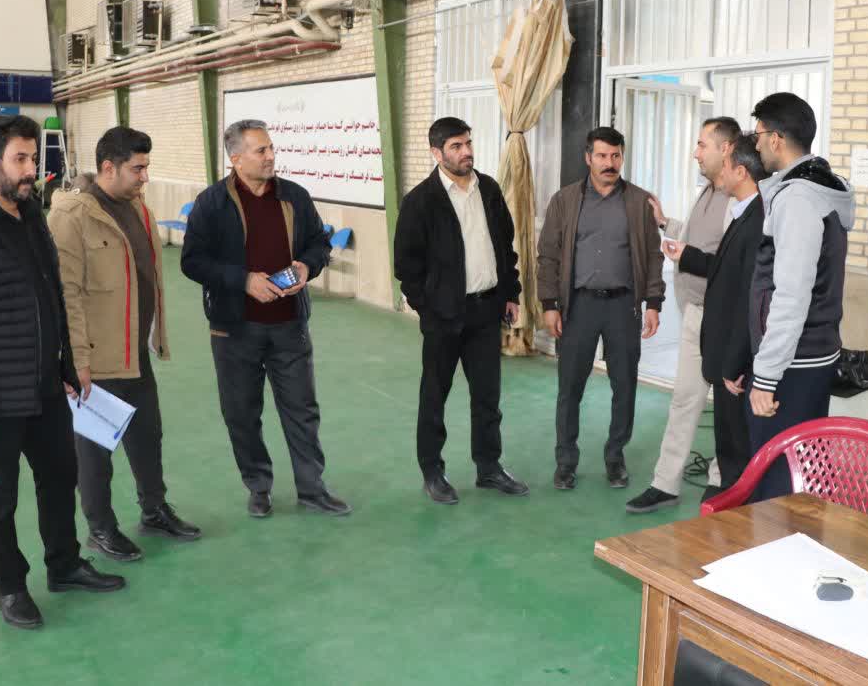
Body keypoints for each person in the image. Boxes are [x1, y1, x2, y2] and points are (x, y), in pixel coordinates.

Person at [0, 115, 124, 630]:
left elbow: (52, 295)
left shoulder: (30, 213)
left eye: (34, 158)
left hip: (44, 387)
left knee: (59, 478)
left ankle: (64, 564)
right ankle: (10, 586)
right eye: (21, 159)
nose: (31, 169)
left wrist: (66, 363)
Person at [180, 119, 351, 518]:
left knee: (302, 410)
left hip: (290, 324)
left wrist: (307, 266)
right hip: (234, 328)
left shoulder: (294, 196)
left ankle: (312, 489)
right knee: (241, 413)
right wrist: (243, 281)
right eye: (261, 150)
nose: (271, 156)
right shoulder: (211, 203)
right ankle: (258, 487)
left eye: (271, 148)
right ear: (236, 158)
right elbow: (192, 261)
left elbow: (319, 243)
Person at [47, 127, 201, 562]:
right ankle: (100, 528)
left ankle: (154, 510)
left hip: (134, 352)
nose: (145, 177)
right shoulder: (71, 216)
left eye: (146, 167)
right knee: (95, 450)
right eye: (138, 168)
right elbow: (66, 295)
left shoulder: (138, 209)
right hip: (97, 359)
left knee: (148, 436)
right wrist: (77, 360)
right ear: (108, 167)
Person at [393, 117, 529, 504]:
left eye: (468, 143)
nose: (466, 151)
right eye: (456, 146)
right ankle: (432, 472)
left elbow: (505, 247)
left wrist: (510, 293)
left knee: (487, 397)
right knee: (434, 397)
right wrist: (429, 309)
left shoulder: (489, 189)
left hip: (486, 312)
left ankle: (489, 467)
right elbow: (406, 267)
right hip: (444, 318)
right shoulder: (420, 201)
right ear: (437, 153)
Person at [628, 134, 767, 512]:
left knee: (730, 415)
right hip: (702, 319)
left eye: (703, 144)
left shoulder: (750, 212)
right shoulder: (714, 197)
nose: (696, 152)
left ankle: (724, 485)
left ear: (730, 157)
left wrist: (736, 358)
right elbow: (717, 259)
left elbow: (743, 286)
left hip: (729, 328)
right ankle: (667, 483)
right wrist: (678, 242)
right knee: (687, 401)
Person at [537, 126, 665, 490]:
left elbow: (653, 256)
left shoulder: (639, 202)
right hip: (579, 306)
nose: (609, 163)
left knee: (624, 386)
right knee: (570, 388)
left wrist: (653, 302)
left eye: (615, 156)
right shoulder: (564, 201)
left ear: (622, 157)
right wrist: (550, 304)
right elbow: (548, 255)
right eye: (602, 156)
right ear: (588, 158)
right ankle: (565, 461)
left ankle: (615, 457)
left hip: (623, 306)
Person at [749, 93, 855, 500]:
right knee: (804, 474)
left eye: (758, 136)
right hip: (813, 355)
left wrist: (766, 376)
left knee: (777, 483)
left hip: (792, 363)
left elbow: (791, 294)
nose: (756, 145)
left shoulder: (797, 199)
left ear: (775, 139)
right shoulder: (821, 188)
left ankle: (777, 541)